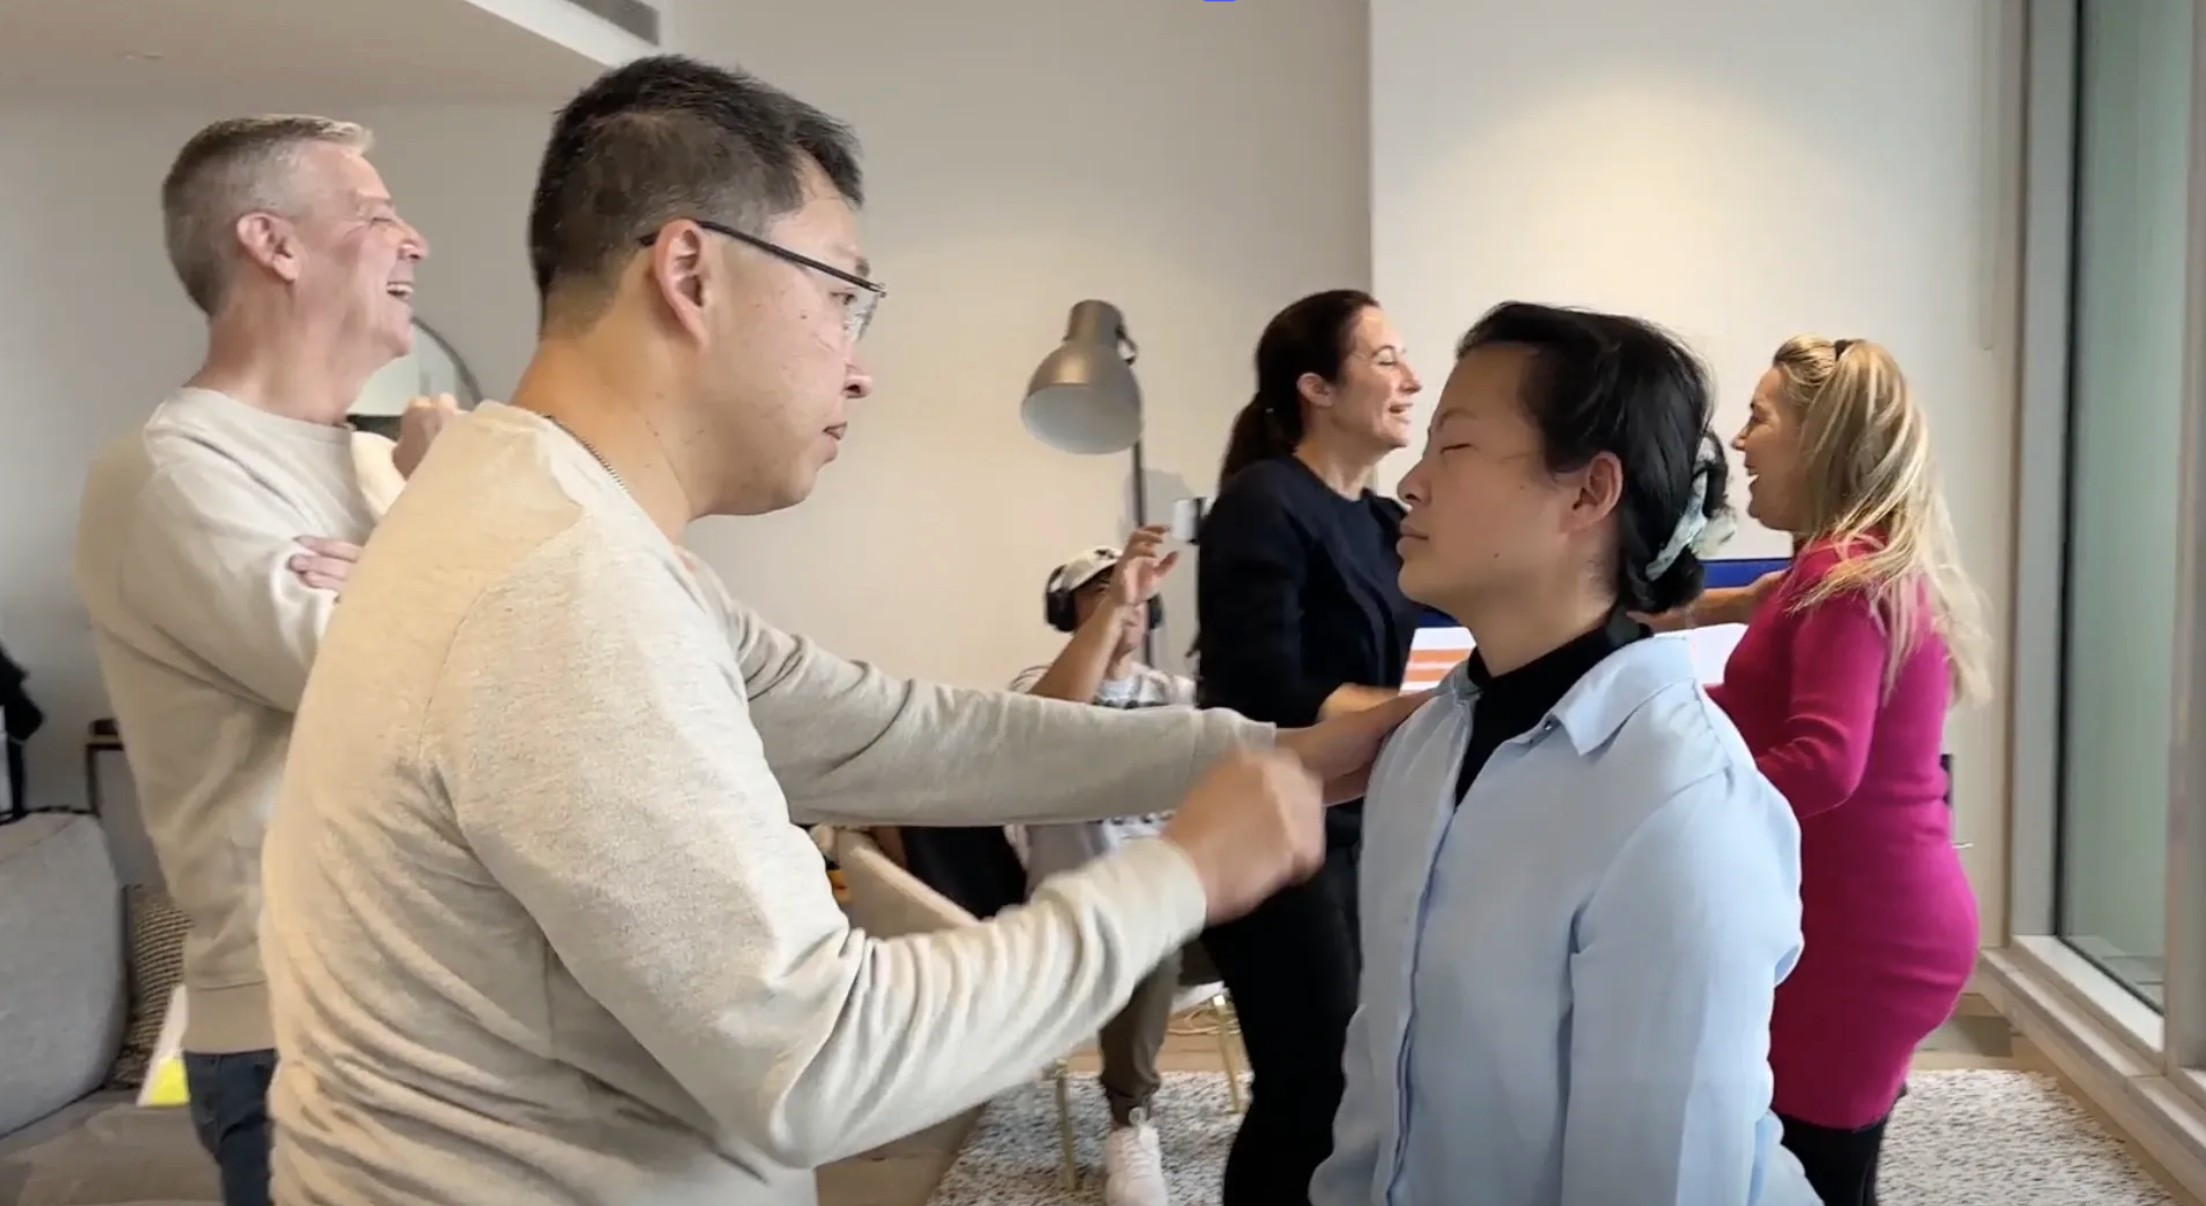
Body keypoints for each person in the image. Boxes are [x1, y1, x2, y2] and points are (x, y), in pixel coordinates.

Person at [256, 54, 1418, 1206]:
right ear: (690, 272)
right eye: (839, 297)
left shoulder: (556, 517)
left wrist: (1259, 753)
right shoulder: (558, 582)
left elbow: (891, 734)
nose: (859, 371)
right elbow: (819, 1059)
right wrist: (1183, 873)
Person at [1310, 302, 1819, 1206]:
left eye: (1453, 447)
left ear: (1588, 493)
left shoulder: (1681, 810)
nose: (1413, 483)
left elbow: (1661, 1183)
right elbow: (1380, 1085)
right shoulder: (1424, 743)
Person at [72, 115, 448, 1206]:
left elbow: (533, 691)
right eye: (376, 216)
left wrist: (416, 551)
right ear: (273, 244)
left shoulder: (387, 472)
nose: (415, 241)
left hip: (454, 1012)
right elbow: (403, 701)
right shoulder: (175, 472)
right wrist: (438, 550)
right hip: (310, 1040)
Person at [1714, 336, 1989, 1206]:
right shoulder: (1847, 567)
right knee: (1828, 1170)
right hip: (1874, 924)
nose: (1739, 439)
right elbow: (1772, 715)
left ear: (1821, 437)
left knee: (1813, 1176)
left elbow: (1822, 762)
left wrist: (1677, 802)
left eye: (1759, 417)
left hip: (1859, 942)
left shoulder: (1844, 576)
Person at [1192, 288, 1422, 1205]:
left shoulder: (1382, 523)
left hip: (1364, 828)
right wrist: (1419, 712)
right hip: (1271, 832)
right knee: (1312, 1088)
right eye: (1385, 358)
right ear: (1317, 387)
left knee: (1359, 1081)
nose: (1411, 379)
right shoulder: (1263, 501)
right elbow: (1260, 686)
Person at [1013, 529, 1199, 1206]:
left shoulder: (1179, 696)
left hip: (1183, 910)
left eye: (1138, 592)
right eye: (1103, 590)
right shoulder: (1034, 691)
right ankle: (1131, 1123)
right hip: (1082, 918)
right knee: (1145, 919)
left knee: (1302, 914)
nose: (1127, 599)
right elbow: (1045, 727)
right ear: (1068, 612)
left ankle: (1300, 1094)